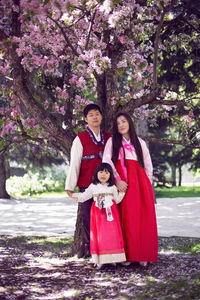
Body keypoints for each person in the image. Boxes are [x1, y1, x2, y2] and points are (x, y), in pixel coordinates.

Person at [103, 112, 158, 267]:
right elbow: (106, 161)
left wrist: (147, 183)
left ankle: (142, 253)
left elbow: (147, 164)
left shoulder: (139, 142)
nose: (121, 125)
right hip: (122, 183)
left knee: (142, 217)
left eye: (123, 121)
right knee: (126, 218)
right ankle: (126, 254)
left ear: (129, 123)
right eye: (118, 122)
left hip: (140, 183)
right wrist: (117, 180)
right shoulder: (112, 142)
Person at [65, 103, 110, 257]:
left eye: (97, 113)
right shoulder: (80, 139)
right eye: (91, 115)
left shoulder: (109, 138)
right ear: (86, 119)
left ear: (101, 116)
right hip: (86, 185)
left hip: (106, 186)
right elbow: (75, 163)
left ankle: (107, 249)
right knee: (88, 218)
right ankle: (91, 249)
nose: (95, 117)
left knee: (106, 217)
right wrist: (70, 185)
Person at [72, 163, 126, 269]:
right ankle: (100, 259)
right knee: (99, 236)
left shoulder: (112, 187)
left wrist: (122, 193)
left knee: (112, 235)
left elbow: (117, 200)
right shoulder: (93, 187)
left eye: (107, 172)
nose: (103, 175)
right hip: (98, 216)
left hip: (111, 215)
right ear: (96, 174)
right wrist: (73, 195)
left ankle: (112, 258)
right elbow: (83, 197)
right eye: (101, 172)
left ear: (110, 175)